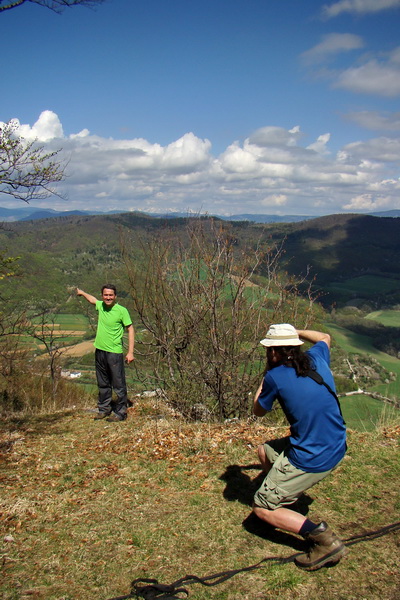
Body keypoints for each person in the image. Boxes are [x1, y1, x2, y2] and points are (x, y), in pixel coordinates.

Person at [252, 323, 347, 571]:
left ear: (273, 353)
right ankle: (282, 495)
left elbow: (258, 411)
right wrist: (298, 331)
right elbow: (325, 336)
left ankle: (323, 540)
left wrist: (263, 382)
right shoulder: (315, 357)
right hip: (336, 443)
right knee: (265, 451)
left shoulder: (274, 376)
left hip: (312, 456)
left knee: (261, 508)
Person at [76, 284, 134, 422]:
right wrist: (82, 293)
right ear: (103, 296)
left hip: (114, 352)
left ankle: (120, 413)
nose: (108, 297)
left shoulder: (122, 311)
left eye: (111, 295)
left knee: (118, 384)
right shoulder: (101, 305)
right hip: (100, 350)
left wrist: (130, 352)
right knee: (103, 382)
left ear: (115, 296)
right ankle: (104, 409)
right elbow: (92, 300)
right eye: (106, 295)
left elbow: (130, 329)